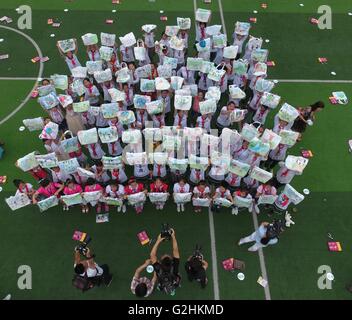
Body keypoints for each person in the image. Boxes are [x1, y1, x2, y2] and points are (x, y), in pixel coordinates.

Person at [150, 228, 181, 295]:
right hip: (173, 280)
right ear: (171, 260)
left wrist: (158, 240)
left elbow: (152, 255)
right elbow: (175, 250)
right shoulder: (173, 267)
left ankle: (161, 287)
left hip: (162, 281)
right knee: (176, 282)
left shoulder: (160, 268)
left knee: (161, 285)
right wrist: (173, 236)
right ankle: (172, 290)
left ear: (160, 261)